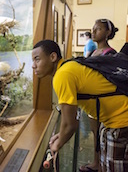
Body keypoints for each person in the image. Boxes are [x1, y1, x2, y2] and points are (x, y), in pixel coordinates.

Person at [32, 40, 128, 172]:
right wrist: (61, 135)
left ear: (53, 57)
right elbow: (68, 119)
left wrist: (57, 145)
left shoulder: (62, 75)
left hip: (121, 121)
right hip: (113, 120)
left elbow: (70, 124)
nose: (33, 65)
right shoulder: (69, 65)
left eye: (37, 59)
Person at [79, 19, 118, 172]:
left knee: (103, 135)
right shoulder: (94, 52)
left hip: (105, 102)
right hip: (92, 101)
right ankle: (97, 162)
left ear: (108, 33)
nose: (94, 32)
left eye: (99, 29)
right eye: (93, 29)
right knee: (95, 135)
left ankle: (102, 164)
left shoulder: (111, 54)